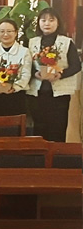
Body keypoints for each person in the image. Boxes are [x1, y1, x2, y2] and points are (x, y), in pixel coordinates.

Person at [27, 7, 81, 142]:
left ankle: (56, 154)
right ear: (39, 23)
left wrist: (60, 74)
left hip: (59, 94)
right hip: (37, 92)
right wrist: (35, 73)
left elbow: (76, 66)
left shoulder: (66, 42)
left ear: (58, 23)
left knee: (58, 127)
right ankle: (40, 154)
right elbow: (27, 65)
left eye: (51, 20)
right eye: (43, 20)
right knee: (39, 127)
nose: (47, 23)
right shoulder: (32, 42)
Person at [0, 19, 32, 117]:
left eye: (9, 31)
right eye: (2, 31)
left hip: (17, 96)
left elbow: (26, 74)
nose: (5, 34)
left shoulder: (24, 52)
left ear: (16, 33)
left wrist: (14, 87)